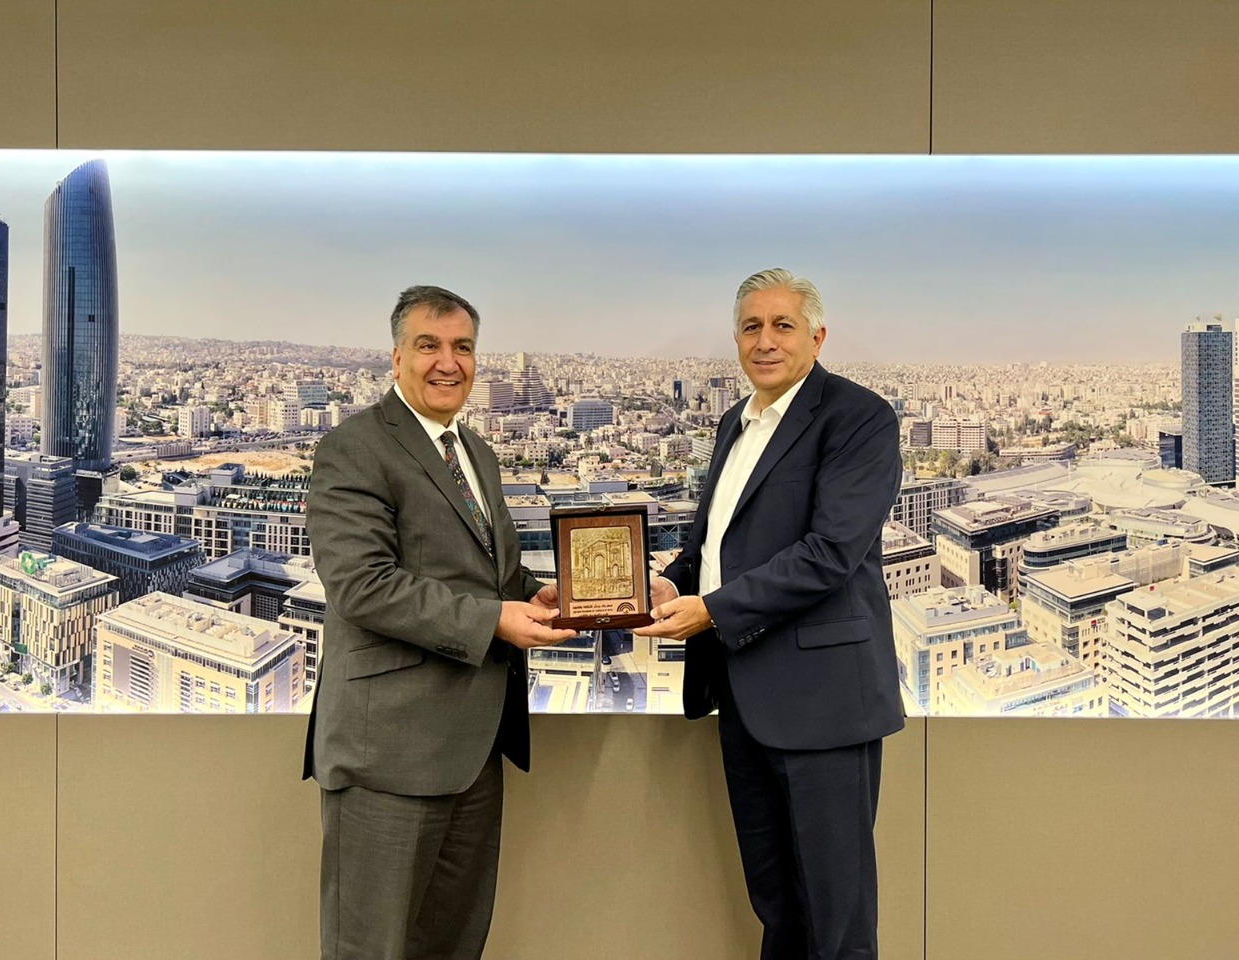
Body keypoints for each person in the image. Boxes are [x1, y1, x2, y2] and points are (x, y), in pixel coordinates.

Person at [636, 268, 904, 960]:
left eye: (783, 325)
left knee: (838, 922)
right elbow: (715, 542)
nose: (766, 340)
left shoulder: (858, 417)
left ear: (818, 336)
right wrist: (671, 583)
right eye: (751, 327)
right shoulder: (736, 421)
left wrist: (711, 611)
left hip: (823, 702)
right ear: (736, 339)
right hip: (742, 698)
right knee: (777, 907)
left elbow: (829, 553)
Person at [302, 284, 575, 960]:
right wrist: (494, 621)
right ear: (397, 357)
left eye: (463, 347)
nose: (448, 362)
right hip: (388, 753)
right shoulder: (354, 447)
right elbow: (362, 586)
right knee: (372, 947)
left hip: (474, 751)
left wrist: (547, 596)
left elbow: (489, 577)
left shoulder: (476, 451)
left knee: (454, 944)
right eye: (429, 346)